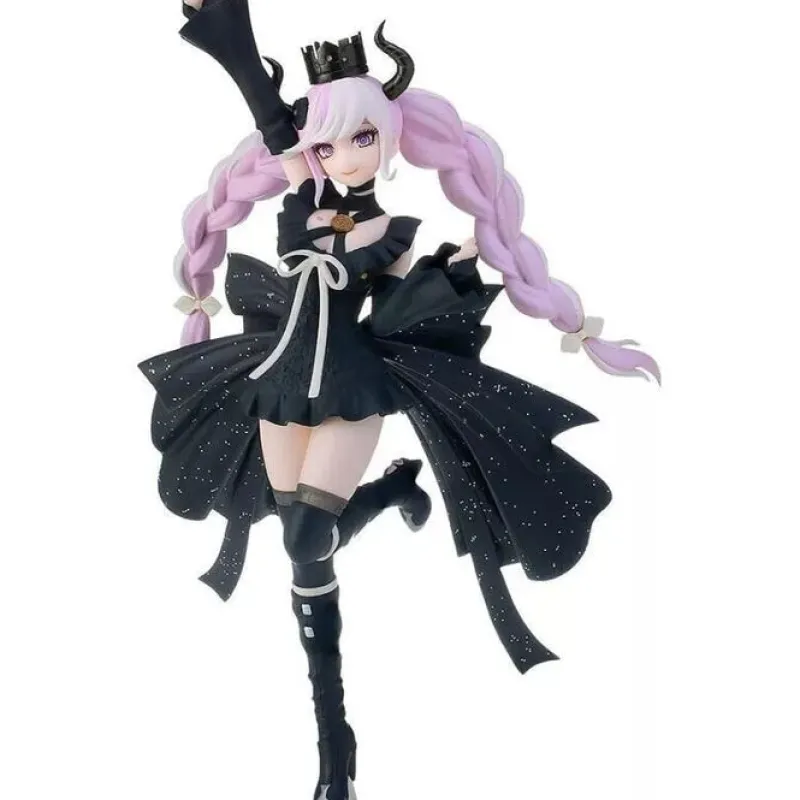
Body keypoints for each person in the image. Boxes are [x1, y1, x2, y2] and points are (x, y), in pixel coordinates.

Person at [138, 2, 660, 798]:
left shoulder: (390, 229)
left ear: (386, 141)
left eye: (362, 138)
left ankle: (336, 738)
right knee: (300, 544)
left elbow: (407, 295)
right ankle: (340, 715)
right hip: (279, 379)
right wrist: (225, 31)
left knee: (307, 534)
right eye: (329, 142)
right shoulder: (302, 194)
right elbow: (273, 124)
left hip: (353, 384)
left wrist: (461, 263)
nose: (343, 155)